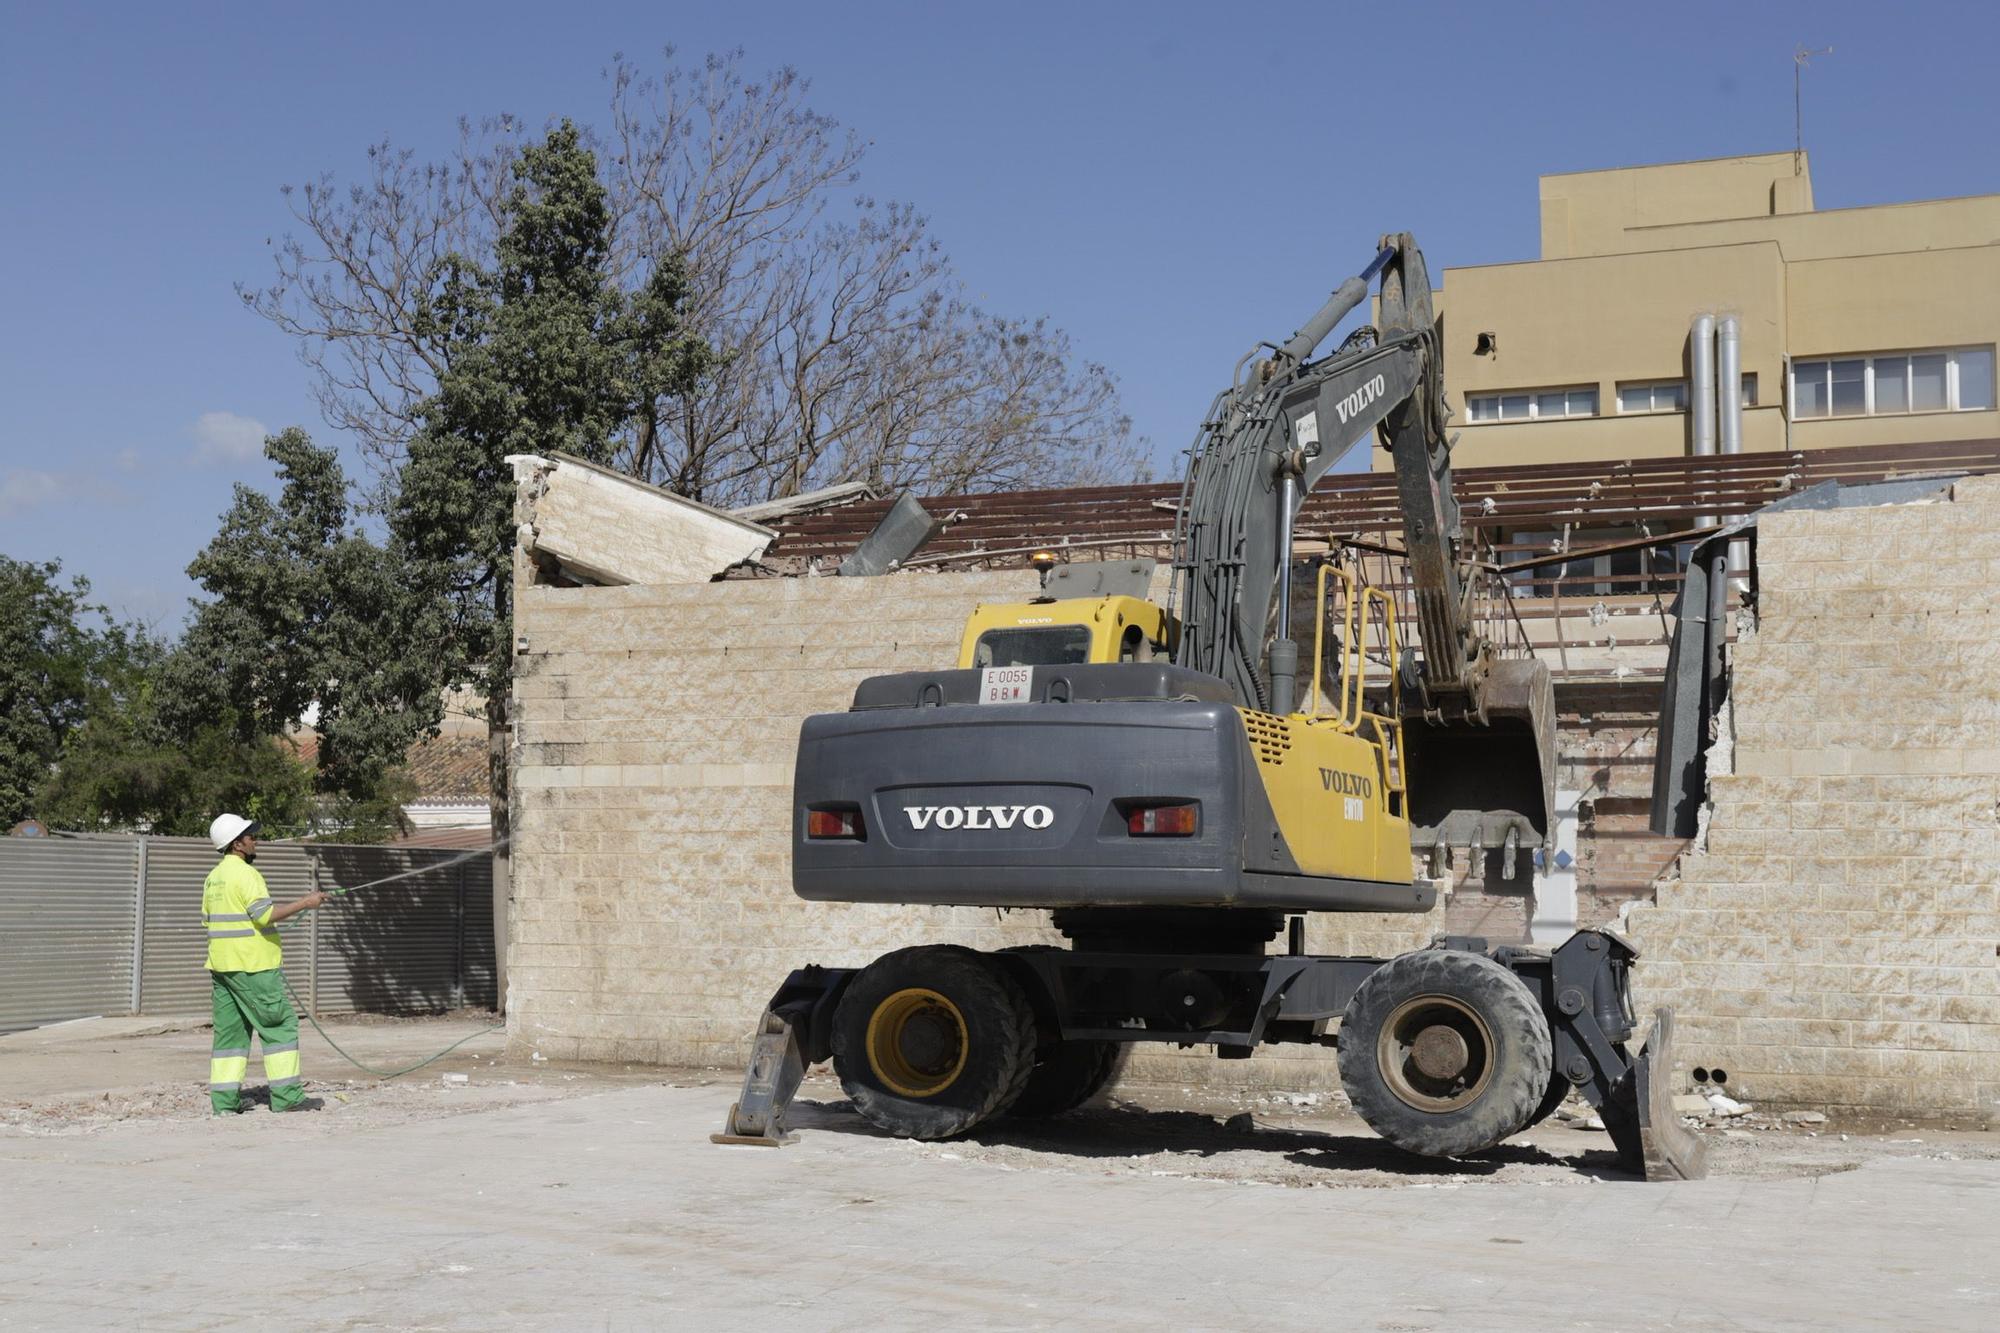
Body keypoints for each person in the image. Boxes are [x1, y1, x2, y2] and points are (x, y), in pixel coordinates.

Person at [203, 813, 330, 1114]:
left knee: (230, 1035)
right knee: (279, 1025)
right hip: (253, 966)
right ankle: (288, 1098)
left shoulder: (213, 878)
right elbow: (264, 916)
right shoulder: (247, 875)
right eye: (251, 835)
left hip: (222, 967)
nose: (255, 839)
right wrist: (306, 903)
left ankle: (224, 1102)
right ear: (237, 844)